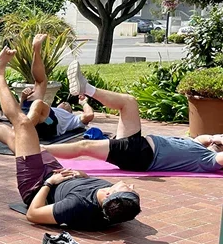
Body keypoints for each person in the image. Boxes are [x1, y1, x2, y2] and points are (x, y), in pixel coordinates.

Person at [0, 47, 141, 241]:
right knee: (14, 138)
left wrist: (49, 183)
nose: (130, 185)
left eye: (128, 189)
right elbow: (90, 186)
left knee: (23, 124)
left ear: (111, 194)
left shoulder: (78, 206)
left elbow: (33, 214)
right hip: (57, 172)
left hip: (36, 183)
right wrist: (81, 174)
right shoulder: (113, 200)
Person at [43, 61, 223, 173]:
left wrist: (218, 142)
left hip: (140, 155)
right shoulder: (197, 145)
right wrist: (215, 138)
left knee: (85, 146)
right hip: (138, 146)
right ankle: (86, 88)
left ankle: (39, 150)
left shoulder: (207, 160)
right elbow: (204, 138)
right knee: (128, 102)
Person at [18, 34, 95, 141]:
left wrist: (84, 103)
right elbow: (20, 112)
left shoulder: (72, 119)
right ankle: (36, 50)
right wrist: (23, 99)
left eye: (68, 106)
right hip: (33, 113)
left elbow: (89, 115)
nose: (65, 103)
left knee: (39, 104)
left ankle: (21, 130)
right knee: (41, 82)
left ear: (70, 112)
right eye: (64, 103)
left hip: (49, 124)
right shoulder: (51, 109)